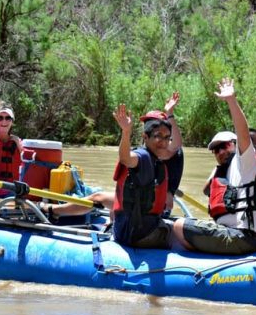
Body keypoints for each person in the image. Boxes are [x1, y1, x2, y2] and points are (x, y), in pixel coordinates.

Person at [43, 92, 184, 221]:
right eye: (147, 124)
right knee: (102, 197)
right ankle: (56, 210)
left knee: (99, 197)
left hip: (152, 210)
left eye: (162, 134)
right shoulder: (150, 152)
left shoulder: (166, 151)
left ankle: (54, 210)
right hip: (144, 204)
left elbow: (175, 144)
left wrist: (169, 113)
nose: (147, 126)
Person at [173, 78, 256, 254]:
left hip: (247, 237)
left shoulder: (245, 162)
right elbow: (209, 191)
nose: (220, 152)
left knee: (179, 226)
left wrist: (231, 102)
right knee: (178, 226)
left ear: (235, 144)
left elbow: (243, 134)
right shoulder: (221, 172)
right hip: (234, 234)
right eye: (216, 150)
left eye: (225, 146)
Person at [111, 104, 173, 248]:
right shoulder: (143, 156)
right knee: (181, 229)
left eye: (167, 138)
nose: (163, 142)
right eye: (158, 137)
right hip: (138, 234)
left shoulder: (155, 159)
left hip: (135, 229)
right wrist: (126, 132)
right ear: (145, 137)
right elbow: (126, 158)